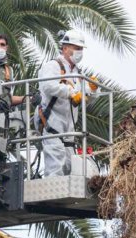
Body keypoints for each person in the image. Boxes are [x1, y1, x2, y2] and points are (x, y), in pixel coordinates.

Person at [36, 29, 98, 177]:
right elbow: (48, 86)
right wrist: (71, 92)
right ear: (64, 48)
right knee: (56, 166)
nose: (79, 52)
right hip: (52, 121)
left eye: (81, 49)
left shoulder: (77, 73)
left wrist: (91, 89)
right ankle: (52, 196)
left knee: (69, 165)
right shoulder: (53, 66)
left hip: (69, 127)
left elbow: (85, 99)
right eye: (76, 48)